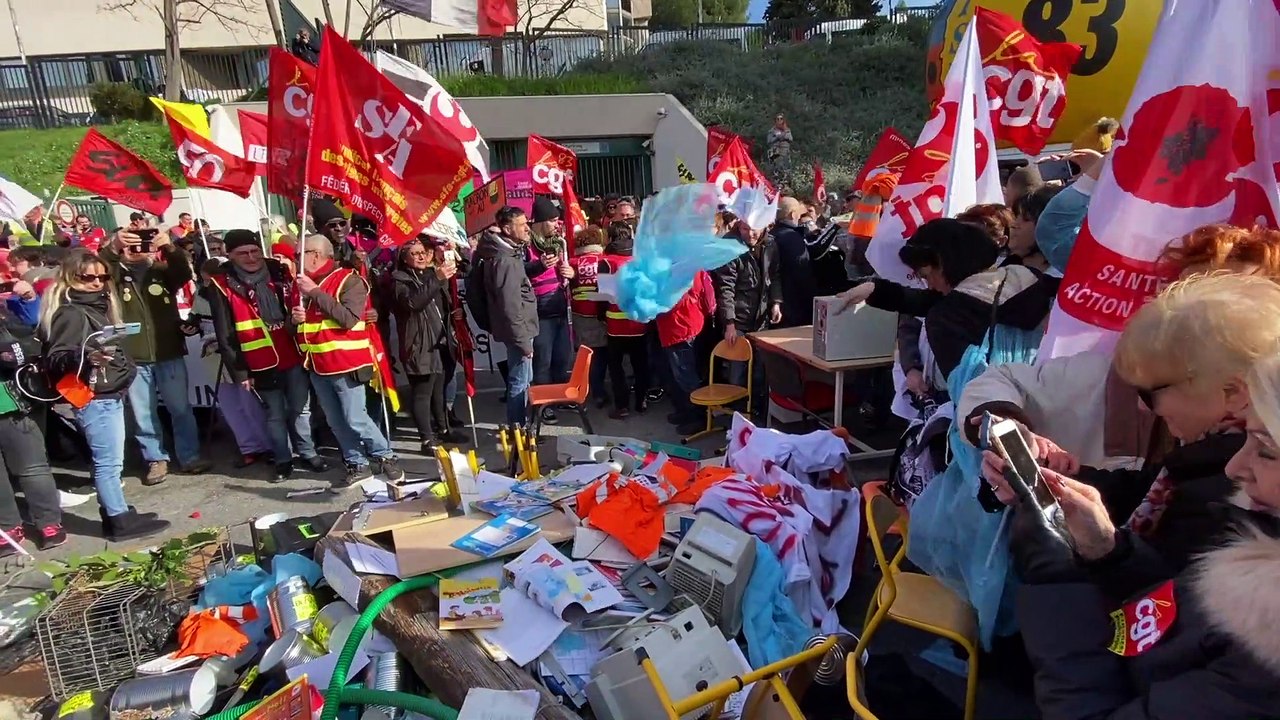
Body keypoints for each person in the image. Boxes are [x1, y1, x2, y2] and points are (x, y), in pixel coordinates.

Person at [1003, 348, 1280, 720]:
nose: (1233, 467)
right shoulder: (1261, 537)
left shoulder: (1266, 656)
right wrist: (1107, 550)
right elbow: (1180, 621)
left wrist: (1058, 576)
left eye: (1265, 449)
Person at [982, 274, 1280, 601]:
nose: (1141, 406)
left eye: (1150, 393)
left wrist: (1048, 550)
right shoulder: (1206, 452)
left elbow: (1165, 611)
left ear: (1231, 391)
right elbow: (1140, 490)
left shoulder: (1241, 487)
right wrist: (1054, 477)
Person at [40, 249, 170, 541]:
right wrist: (86, 356)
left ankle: (117, 512)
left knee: (111, 460)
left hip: (107, 392)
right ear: (71, 278)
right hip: (94, 396)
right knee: (108, 463)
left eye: (102, 277)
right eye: (87, 277)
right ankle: (118, 520)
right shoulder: (71, 312)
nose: (97, 283)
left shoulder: (94, 307)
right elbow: (57, 357)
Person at [836, 219, 1057, 383]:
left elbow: (969, 393)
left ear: (944, 263)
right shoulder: (1034, 283)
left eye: (925, 275)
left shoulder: (947, 317)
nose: (929, 285)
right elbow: (933, 299)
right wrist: (874, 289)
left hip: (992, 421)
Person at [205, 230, 330, 483]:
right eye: (243, 253)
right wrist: (240, 372)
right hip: (259, 359)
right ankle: (283, 460)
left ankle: (307, 452)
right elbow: (225, 333)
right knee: (275, 414)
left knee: (301, 409)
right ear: (229, 255)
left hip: (292, 351)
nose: (251, 257)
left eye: (254, 251)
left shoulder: (279, 270)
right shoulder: (221, 284)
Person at [100, 226, 210, 484]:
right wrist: (113, 247)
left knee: (180, 408)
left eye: (141, 243)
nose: (136, 249)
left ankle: (190, 456)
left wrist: (168, 247)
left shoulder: (160, 272)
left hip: (167, 351)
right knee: (143, 414)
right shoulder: (114, 275)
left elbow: (183, 272)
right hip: (134, 356)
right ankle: (156, 459)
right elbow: (102, 267)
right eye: (130, 244)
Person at [391, 238, 467, 453]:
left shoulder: (430, 274)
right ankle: (426, 438)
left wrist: (455, 312)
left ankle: (443, 429)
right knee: (422, 392)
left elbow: (441, 303)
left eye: (424, 252)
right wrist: (437, 277)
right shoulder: (399, 280)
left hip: (439, 341)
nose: (421, 256)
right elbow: (414, 303)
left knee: (439, 390)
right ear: (404, 258)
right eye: (414, 253)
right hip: (418, 344)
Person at [0, 300, 63, 555]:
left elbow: (28, 338)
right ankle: (8, 527)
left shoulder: (7, 320)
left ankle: (48, 523)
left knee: (31, 467)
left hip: (10, 403)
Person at [473, 207, 538, 428]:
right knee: (520, 381)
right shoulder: (505, 260)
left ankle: (520, 426)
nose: (527, 228)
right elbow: (510, 306)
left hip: (519, 328)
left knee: (522, 379)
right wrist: (523, 342)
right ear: (507, 228)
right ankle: (518, 429)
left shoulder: (507, 253)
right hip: (519, 331)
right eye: (522, 225)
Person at [526, 197, 574, 424]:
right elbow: (520, 273)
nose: (557, 224)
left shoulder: (557, 243)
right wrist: (539, 267)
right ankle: (543, 405)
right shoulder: (527, 245)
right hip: (540, 313)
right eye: (553, 220)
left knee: (562, 359)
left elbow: (566, 272)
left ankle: (559, 398)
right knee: (542, 363)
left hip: (560, 309)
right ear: (541, 221)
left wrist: (569, 273)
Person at [598, 221, 651, 419]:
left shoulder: (607, 262)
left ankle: (622, 406)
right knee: (640, 364)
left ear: (610, 238)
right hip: (638, 322)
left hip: (615, 324)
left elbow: (603, 294)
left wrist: (600, 315)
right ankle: (641, 401)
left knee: (616, 367)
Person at [657, 270, 716, 435]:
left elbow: (673, 298)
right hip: (676, 326)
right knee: (678, 375)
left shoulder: (684, 266)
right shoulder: (681, 262)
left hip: (681, 326)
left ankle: (697, 418)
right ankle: (685, 411)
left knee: (686, 375)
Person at [568, 226, 610, 408]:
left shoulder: (572, 262)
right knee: (602, 356)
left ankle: (594, 391)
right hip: (601, 313)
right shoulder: (605, 260)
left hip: (580, 315)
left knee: (586, 357)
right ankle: (600, 393)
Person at [772, 197, 815, 328]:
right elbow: (801, 268)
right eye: (798, 213)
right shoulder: (791, 238)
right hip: (794, 302)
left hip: (779, 299)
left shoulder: (773, 234)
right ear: (792, 214)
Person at [766, 113, 793, 181]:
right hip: (775, 153)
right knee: (775, 170)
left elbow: (790, 139)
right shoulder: (772, 131)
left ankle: (785, 184)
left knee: (786, 170)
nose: (779, 120)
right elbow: (769, 141)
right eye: (777, 119)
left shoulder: (787, 130)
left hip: (785, 153)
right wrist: (776, 138)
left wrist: (783, 136)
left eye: (781, 119)